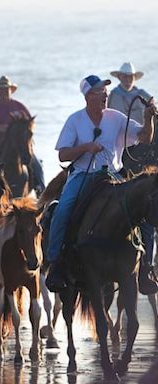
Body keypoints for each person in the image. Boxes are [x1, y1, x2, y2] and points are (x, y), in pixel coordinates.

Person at [45, 75, 158, 294]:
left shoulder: (115, 118)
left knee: (144, 209)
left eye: (105, 92)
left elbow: (145, 137)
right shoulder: (75, 120)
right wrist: (86, 147)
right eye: (100, 92)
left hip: (113, 176)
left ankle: (145, 270)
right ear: (88, 96)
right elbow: (63, 155)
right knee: (62, 210)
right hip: (82, 175)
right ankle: (55, 263)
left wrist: (148, 118)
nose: (105, 95)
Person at [109, 62, 157, 293]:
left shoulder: (142, 95)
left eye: (130, 77)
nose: (128, 79)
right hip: (123, 144)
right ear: (120, 77)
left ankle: (147, 265)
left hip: (140, 140)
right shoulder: (112, 96)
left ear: (134, 78)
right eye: (124, 76)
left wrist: (151, 112)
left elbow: (153, 107)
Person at [0, 75, 45, 195]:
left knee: (37, 164)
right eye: (2, 89)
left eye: (6, 89)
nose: (4, 91)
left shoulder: (19, 106)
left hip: (19, 145)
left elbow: (30, 124)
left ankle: (41, 190)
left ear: (10, 90)